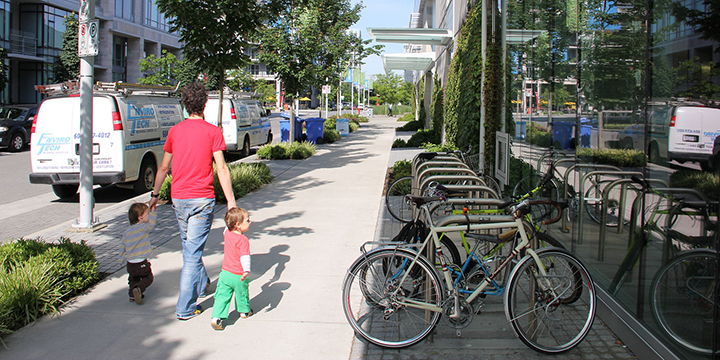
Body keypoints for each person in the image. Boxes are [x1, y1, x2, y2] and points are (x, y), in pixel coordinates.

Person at [148, 82, 237, 321]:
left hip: (179, 198)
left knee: (190, 247)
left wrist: (155, 195)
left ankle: (200, 283)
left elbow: (164, 167)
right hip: (202, 199)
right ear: (204, 104)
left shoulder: (175, 132)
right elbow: (221, 168)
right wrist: (230, 201)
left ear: (185, 105)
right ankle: (186, 307)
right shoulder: (212, 132)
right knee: (192, 253)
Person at [210, 207, 253, 330]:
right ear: (238, 225)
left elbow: (226, 226)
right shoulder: (243, 240)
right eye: (247, 221)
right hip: (239, 274)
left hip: (225, 273)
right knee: (242, 294)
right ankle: (244, 311)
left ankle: (216, 317)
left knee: (222, 296)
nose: (250, 222)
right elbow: (245, 257)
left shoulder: (227, 234)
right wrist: (246, 271)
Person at [119, 202, 156, 305]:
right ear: (140, 217)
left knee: (133, 279)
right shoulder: (143, 228)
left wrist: (121, 259)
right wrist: (153, 212)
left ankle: (132, 294)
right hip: (141, 262)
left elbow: (122, 246)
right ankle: (138, 289)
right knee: (148, 278)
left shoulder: (127, 232)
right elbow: (152, 224)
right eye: (147, 214)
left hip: (130, 263)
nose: (148, 216)